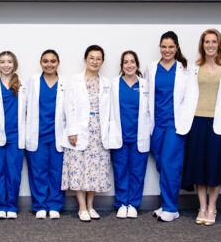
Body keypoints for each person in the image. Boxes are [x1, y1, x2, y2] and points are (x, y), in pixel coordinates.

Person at [182, 29, 221, 226]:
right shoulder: (194, 67)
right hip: (197, 121)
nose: (210, 45)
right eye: (207, 42)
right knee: (199, 166)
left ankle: (213, 207)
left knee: (214, 166)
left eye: (214, 42)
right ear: (202, 45)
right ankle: (202, 206)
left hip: (218, 123)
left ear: (219, 44)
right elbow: (186, 94)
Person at [146, 31, 199, 222]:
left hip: (174, 125)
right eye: (164, 46)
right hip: (156, 124)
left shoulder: (185, 68)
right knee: (161, 163)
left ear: (176, 48)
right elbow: (148, 95)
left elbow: (192, 97)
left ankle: (171, 207)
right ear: (160, 47)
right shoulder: (152, 68)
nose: (167, 50)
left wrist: (184, 122)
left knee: (170, 165)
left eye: (170, 47)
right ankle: (166, 203)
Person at [61, 45, 112, 222]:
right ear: (85, 59)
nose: (95, 61)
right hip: (79, 129)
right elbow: (69, 107)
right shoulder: (75, 81)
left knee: (94, 169)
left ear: (102, 62)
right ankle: (81, 207)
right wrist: (72, 131)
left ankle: (91, 205)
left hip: (98, 131)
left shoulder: (106, 83)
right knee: (78, 168)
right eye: (92, 58)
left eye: (98, 58)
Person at [102, 50, 151, 219]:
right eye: (125, 62)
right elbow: (106, 110)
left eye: (132, 61)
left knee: (138, 172)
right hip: (119, 136)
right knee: (120, 170)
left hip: (140, 136)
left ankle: (134, 204)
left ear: (137, 64)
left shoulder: (145, 85)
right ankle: (122, 203)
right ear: (121, 66)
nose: (129, 65)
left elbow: (151, 110)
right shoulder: (113, 84)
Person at [21, 49, 65, 219]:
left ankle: (54, 205)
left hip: (57, 136)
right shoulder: (32, 81)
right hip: (36, 135)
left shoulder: (64, 83)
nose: (49, 64)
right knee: (38, 171)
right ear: (41, 63)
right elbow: (23, 107)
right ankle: (39, 205)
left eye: (53, 61)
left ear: (58, 63)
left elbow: (70, 109)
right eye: (45, 61)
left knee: (56, 172)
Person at [0, 51, 25, 219]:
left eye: (9, 61)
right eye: (2, 62)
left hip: (16, 136)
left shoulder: (22, 84)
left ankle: (12, 206)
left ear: (14, 64)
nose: (6, 65)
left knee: (14, 172)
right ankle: (1, 206)